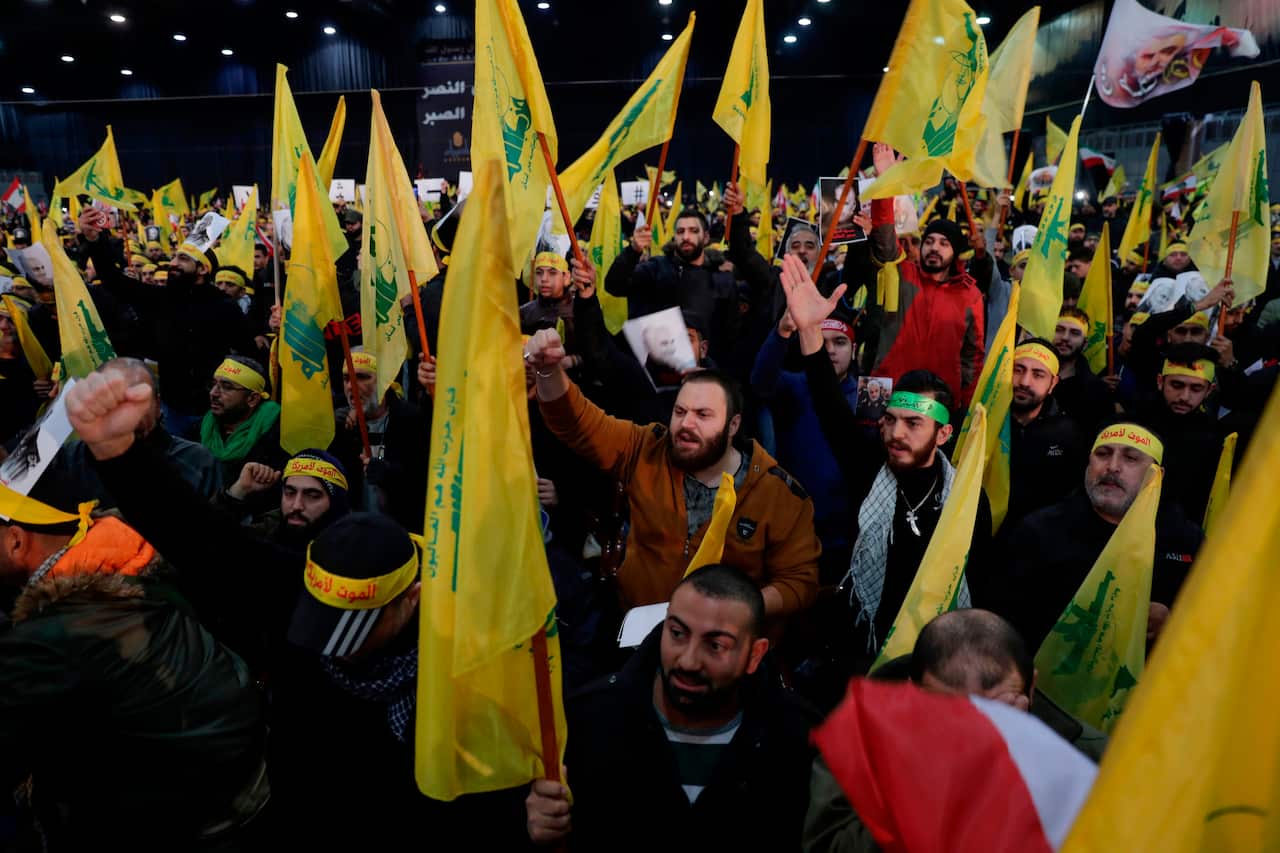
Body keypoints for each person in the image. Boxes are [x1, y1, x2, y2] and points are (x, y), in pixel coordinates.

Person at [63, 367, 529, 847]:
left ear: (411, 599)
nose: (337, 646)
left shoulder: (469, 652)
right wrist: (119, 454)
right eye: (325, 620)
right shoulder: (297, 580)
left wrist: (528, 820)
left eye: (357, 626)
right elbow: (203, 538)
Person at [0, 467, 268, 850]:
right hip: (231, 775)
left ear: (15, 542)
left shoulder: (55, 637)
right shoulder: (126, 565)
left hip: (185, 816)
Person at [779, 253, 993, 671]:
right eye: (891, 420)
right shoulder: (870, 467)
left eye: (914, 423)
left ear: (943, 434)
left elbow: (980, 581)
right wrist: (808, 330)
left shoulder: (967, 500)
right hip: (863, 645)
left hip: (938, 654)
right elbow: (828, 406)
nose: (896, 433)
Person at [526, 327, 820, 619]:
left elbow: (800, 583)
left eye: (703, 415)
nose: (686, 424)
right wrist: (548, 371)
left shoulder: (778, 493)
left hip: (723, 649)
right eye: (680, 412)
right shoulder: (646, 447)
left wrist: (737, 608)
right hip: (635, 634)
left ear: (733, 426)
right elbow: (576, 423)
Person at [525, 564, 819, 850]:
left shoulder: (799, 739)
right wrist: (542, 827)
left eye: (716, 645)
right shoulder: (589, 720)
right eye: (678, 633)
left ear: (755, 655)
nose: (688, 661)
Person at [802, 608, 1106, 852]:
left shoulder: (1086, 757)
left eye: (996, 712)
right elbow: (829, 844)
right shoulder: (862, 744)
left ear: (1032, 688)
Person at [989, 422, 1202, 650]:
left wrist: (1172, 621)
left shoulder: (1186, 540)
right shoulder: (1038, 532)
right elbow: (1003, 623)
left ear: (1157, 475)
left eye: (1130, 458)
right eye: (1103, 454)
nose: (1112, 467)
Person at [78, 207, 253, 435]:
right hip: (173, 408)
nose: (173, 263)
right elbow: (114, 281)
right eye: (173, 257)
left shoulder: (225, 307)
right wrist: (94, 241)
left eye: (182, 258)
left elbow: (247, 353)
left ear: (202, 269)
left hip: (215, 410)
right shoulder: (162, 298)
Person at [863, 143, 986, 407]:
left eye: (944, 243)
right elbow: (884, 236)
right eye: (930, 241)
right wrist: (886, 182)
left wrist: (965, 404)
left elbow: (972, 356)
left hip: (937, 403)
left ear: (955, 252)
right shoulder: (903, 272)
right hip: (886, 394)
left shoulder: (970, 294)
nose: (934, 248)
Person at [752, 310, 861, 583]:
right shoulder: (795, 385)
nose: (830, 350)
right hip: (794, 522)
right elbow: (760, 383)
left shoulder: (870, 396)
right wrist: (782, 332)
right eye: (821, 342)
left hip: (847, 528)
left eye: (839, 342)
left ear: (854, 349)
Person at [55, 357, 223, 506]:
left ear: (157, 404)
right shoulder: (69, 459)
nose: (128, 415)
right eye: (117, 401)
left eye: (139, 401)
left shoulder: (198, 462)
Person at [604, 207, 740, 367]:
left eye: (693, 231)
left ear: (705, 237)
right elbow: (614, 285)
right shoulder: (655, 268)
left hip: (702, 374)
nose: (686, 237)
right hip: (656, 371)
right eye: (680, 231)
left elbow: (730, 335)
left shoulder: (722, 280)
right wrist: (632, 251)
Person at [332, 350, 430, 530]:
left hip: (403, 533)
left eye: (362, 377)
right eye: (346, 378)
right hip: (355, 532)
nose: (351, 385)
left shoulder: (412, 420)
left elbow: (425, 480)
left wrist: (389, 474)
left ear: (384, 382)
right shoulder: (340, 425)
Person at [1005, 338, 1088, 530]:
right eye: (1018, 370)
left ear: (1053, 382)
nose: (1025, 382)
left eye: (1038, 374)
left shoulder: (1067, 433)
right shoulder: (984, 423)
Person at [1136, 345, 1223, 522]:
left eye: (1196, 388)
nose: (1184, 396)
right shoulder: (1134, 423)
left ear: (1209, 390)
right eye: (1177, 385)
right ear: (1160, 382)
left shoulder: (1214, 437)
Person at [199, 355, 284, 484]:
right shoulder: (200, 428)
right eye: (213, 384)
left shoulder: (277, 437)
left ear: (252, 399)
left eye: (226, 387)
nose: (213, 393)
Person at [1051, 307, 1116, 436]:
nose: (1065, 337)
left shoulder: (1097, 390)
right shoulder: (1028, 376)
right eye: (1059, 330)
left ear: (1085, 343)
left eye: (1074, 333)